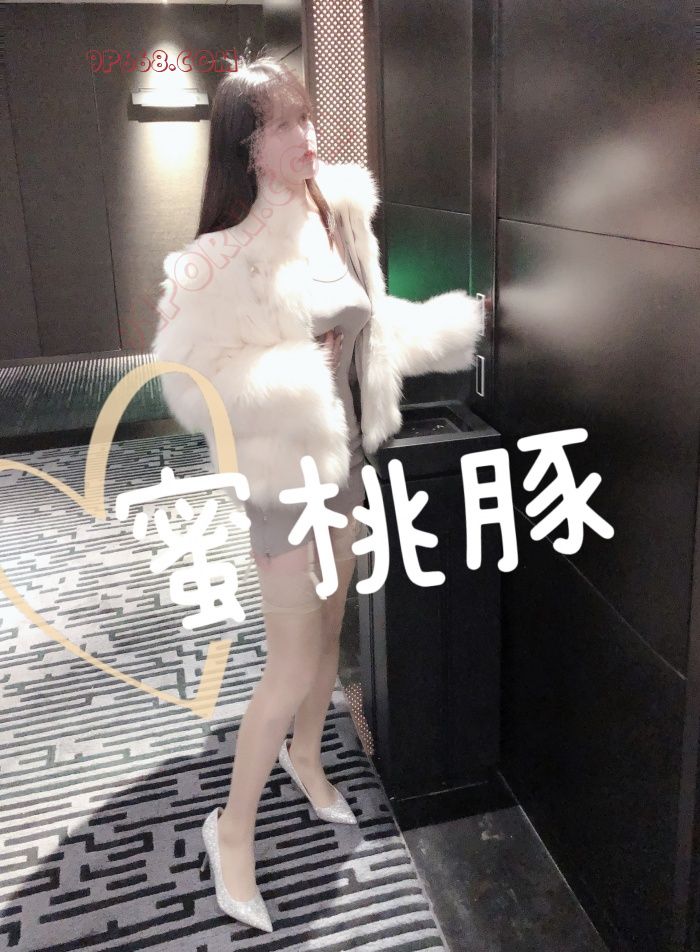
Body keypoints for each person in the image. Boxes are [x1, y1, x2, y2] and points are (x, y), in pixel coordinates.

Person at [151, 51, 484, 933]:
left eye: (306, 117)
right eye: (284, 124)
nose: (307, 135)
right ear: (246, 148)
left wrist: (460, 324)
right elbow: (188, 384)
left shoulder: (337, 211)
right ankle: (230, 830)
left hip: (345, 468)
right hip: (281, 478)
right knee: (292, 661)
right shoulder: (217, 258)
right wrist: (297, 372)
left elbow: (375, 327)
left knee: (332, 630)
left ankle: (306, 755)